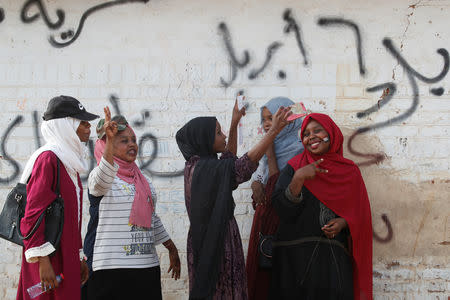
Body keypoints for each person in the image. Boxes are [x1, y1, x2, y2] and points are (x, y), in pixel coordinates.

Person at [175, 98, 292, 300]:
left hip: (218, 234)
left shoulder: (199, 165)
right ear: (203, 139)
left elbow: (228, 161)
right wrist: (273, 132)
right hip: (215, 240)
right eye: (218, 133)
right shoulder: (202, 169)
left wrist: (234, 122)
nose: (223, 137)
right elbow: (240, 168)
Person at [270, 113, 373, 300]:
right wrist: (298, 179)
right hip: (293, 261)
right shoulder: (294, 167)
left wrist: (343, 223)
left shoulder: (350, 172)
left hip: (331, 262)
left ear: (331, 134)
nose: (311, 137)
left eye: (318, 130)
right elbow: (281, 210)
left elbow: (361, 216)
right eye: (306, 134)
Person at [83, 107, 180, 300]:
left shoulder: (143, 181)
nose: (132, 145)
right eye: (124, 141)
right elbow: (104, 176)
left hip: (145, 268)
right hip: (110, 270)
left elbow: (152, 218)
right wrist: (110, 141)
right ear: (107, 144)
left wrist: (171, 247)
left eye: (133, 140)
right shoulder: (100, 178)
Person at [16, 96, 99, 300]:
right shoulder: (48, 159)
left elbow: (72, 217)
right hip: (47, 260)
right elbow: (33, 212)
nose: (89, 128)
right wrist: (42, 260)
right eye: (83, 122)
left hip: (66, 257)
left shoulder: (68, 162)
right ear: (66, 126)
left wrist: (78, 258)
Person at [246, 97, 304, 300]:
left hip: (288, 220)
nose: (268, 123)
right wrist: (255, 185)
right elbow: (257, 172)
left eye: (272, 117)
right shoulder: (267, 144)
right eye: (264, 119)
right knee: (265, 271)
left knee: (284, 275)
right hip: (266, 222)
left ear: (289, 118)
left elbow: (281, 185)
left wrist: (270, 156)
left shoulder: (301, 147)